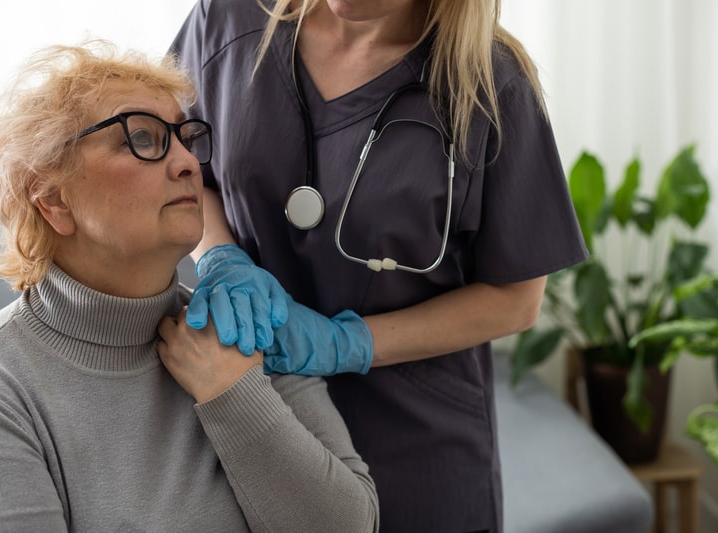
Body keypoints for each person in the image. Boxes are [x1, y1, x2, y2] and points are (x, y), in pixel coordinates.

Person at [0, 41, 379, 533]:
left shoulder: (244, 325)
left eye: (185, 138)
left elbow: (352, 526)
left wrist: (235, 393)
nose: (187, 164)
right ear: (53, 201)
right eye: (140, 138)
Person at [168, 1, 589, 532]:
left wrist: (346, 343)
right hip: (249, 419)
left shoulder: (491, 83)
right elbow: (179, 168)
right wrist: (220, 256)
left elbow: (517, 300)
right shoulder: (228, 18)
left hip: (414, 447)